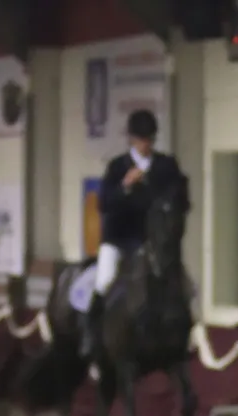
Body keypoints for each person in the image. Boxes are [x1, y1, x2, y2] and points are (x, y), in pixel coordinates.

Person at [84, 109, 187, 358]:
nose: (145, 145)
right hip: (119, 239)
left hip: (150, 240)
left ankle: (183, 335)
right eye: (141, 139)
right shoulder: (117, 167)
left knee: (185, 284)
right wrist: (125, 187)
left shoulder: (166, 165)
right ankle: (91, 335)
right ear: (131, 139)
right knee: (104, 280)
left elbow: (180, 197)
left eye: (149, 139)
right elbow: (104, 204)